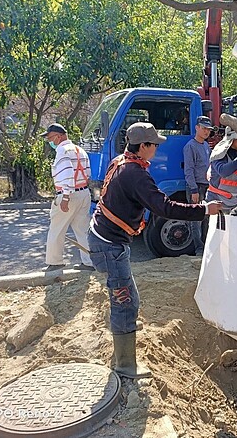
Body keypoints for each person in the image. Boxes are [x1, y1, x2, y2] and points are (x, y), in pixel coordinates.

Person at [88, 122, 223, 379]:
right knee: (124, 302)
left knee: (129, 298)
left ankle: (125, 333)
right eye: (154, 145)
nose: (156, 149)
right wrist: (205, 209)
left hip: (105, 239)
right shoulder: (135, 174)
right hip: (109, 245)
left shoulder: (120, 162)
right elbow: (165, 208)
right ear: (143, 146)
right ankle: (125, 365)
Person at [42, 123, 93, 272]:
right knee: (82, 230)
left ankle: (55, 262)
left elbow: (67, 174)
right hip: (84, 193)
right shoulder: (80, 150)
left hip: (68, 195)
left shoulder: (62, 151)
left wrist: (65, 197)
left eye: (50, 138)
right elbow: (88, 173)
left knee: (57, 229)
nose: (50, 142)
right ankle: (89, 262)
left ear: (59, 136)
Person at [205, 126, 237, 211]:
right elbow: (223, 171)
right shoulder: (219, 154)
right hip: (216, 203)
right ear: (233, 139)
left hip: (235, 203)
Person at [183, 116, 213, 256]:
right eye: (204, 128)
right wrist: (193, 189)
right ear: (197, 128)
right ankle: (199, 249)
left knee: (206, 217)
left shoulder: (206, 145)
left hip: (206, 185)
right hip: (196, 187)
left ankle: (206, 246)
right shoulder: (190, 146)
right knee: (196, 220)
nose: (206, 131)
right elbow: (188, 170)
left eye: (208, 129)